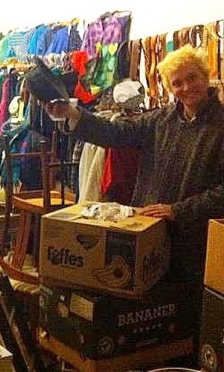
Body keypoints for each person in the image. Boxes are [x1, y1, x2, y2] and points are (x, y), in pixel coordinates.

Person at [45, 44, 224, 364]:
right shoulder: (161, 120)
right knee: (147, 320)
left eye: (192, 78)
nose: (186, 87)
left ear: (205, 76)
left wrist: (178, 210)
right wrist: (73, 114)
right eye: (177, 82)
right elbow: (114, 132)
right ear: (169, 88)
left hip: (196, 244)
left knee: (187, 321)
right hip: (151, 236)